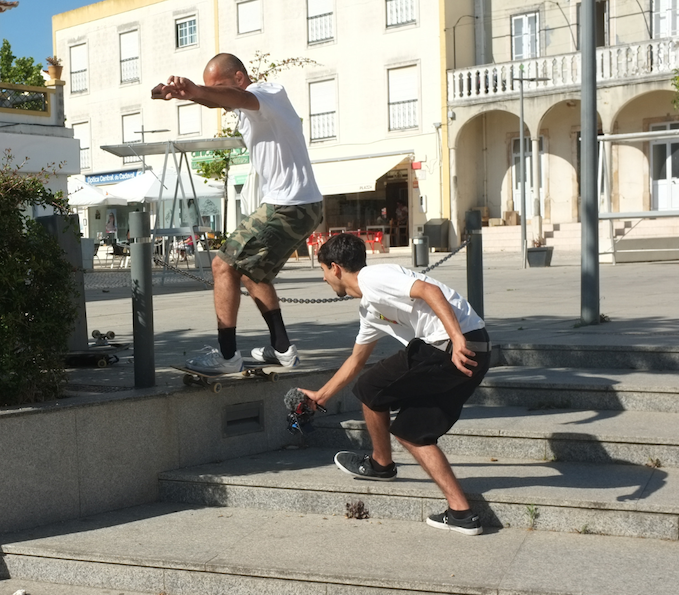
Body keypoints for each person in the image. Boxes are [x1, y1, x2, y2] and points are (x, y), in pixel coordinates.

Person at [298, 233, 490, 535]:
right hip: (475, 351)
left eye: (322, 271)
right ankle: (462, 514)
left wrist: (455, 337)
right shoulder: (370, 309)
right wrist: (320, 396)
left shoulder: (374, 277)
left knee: (370, 387)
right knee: (413, 432)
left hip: (451, 346)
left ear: (335, 268)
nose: (324, 279)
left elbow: (428, 290)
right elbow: (356, 361)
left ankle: (381, 464)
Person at [153, 53, 324, 374]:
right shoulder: (247, 110)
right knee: (250, 271)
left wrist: (199, 90)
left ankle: (228, 356)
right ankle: (283, 349)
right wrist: (187, 94)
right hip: (299, 205)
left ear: (240, 77)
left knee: (221, 265)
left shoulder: (267, 93)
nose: (216, 96)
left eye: (217, 87)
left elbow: (236, 96)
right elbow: (221, 100)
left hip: (289, 205)